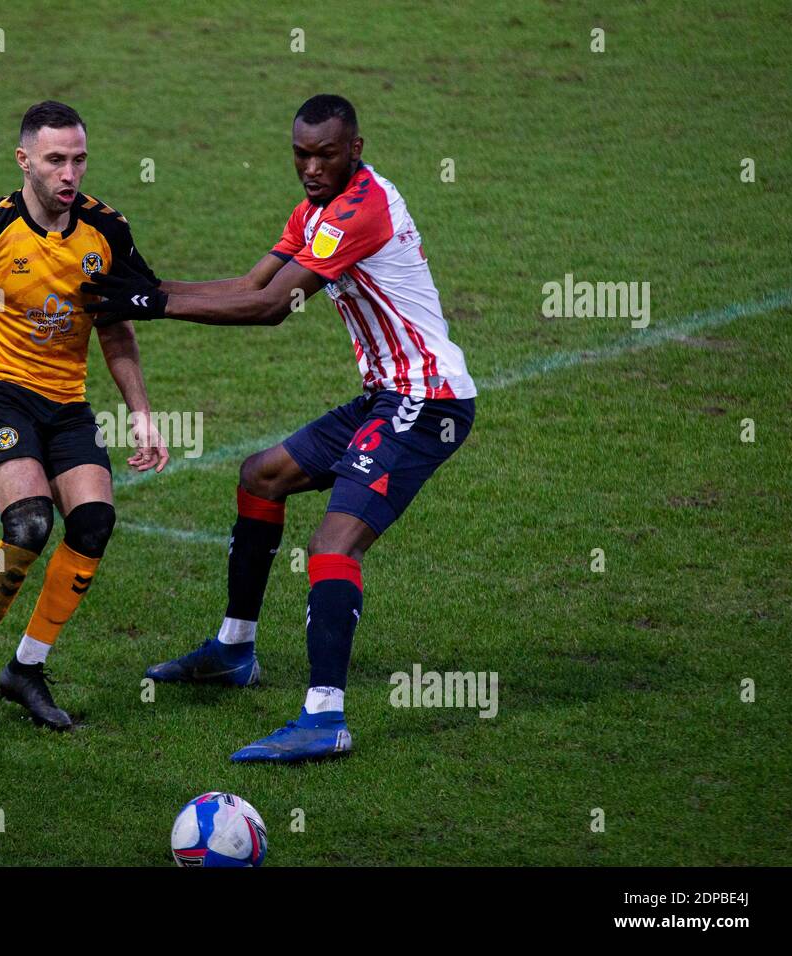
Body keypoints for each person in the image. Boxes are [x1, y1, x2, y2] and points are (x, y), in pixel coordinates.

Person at [83, 94, 476, 763]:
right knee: (261, 476)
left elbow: (271, 307)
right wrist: (145, 286)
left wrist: (148, 304)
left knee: (332, 544)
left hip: (426, 402)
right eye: (301, 153)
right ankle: (234, 651)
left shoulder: (362, 210)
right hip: (384, 396)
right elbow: (250, 280)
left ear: (356, 147)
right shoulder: (314, 212)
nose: (312, 166)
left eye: (326, 153)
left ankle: (326, 718)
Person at [0, 100, 168, 743]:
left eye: (78, 158)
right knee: (27, 524)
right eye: (55, 159)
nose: (69, 172)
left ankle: (25, 670)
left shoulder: (107, 232)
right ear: (25, 159)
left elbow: (118, 329)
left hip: (67, 401)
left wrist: (141, 416)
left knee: (94, 521)